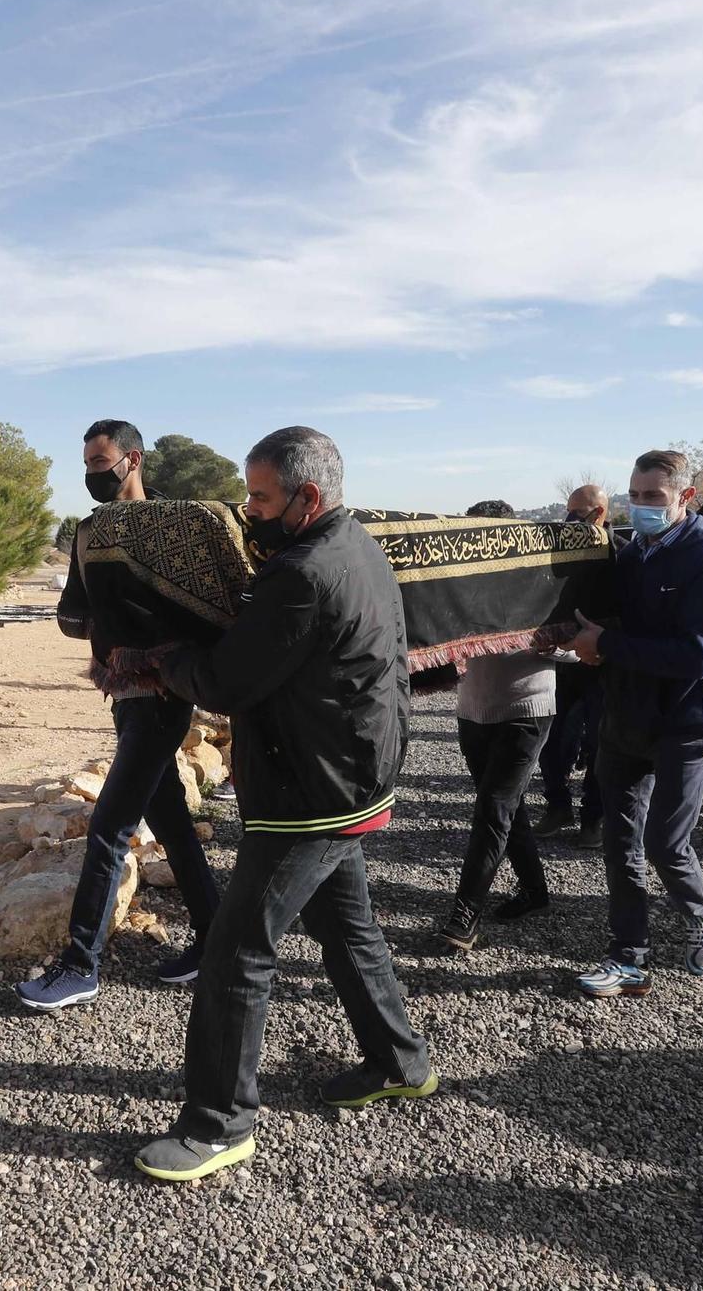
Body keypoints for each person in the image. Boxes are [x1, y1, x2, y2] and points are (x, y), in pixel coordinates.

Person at [132, 427, 432, 1183]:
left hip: (312, 791)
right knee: (348, 925)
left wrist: (164, 659)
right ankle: (399, 1060)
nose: (248, 511)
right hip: (349, 774)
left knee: (237, 951)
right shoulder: (356, 544)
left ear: (308, 497)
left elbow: (230, 680)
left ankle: (217, 1124)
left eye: (260, 499)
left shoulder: (303, 572)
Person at [18, 420, 222, 1011]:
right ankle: (214, 938)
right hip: (122, 694)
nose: (91, 475)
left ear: (132, 459)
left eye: (100, 462)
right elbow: (69, 611)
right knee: (175, 826)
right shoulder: (88, 532)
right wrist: (104, 624)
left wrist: (150, 632)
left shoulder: (177, 525)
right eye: (85, 465)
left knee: (109, 826)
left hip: (164, 696)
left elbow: (207, 606)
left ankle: (80, 964)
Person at [555, 450, 703, 998]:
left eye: (653, 497)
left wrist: (605, 643)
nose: (641, 506)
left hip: (685, 721)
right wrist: (586, 639)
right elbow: (623, 625)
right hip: (625, 714)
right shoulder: (633, 554)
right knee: (620, 841)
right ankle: (627, 957)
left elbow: (695, 654)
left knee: (665, 842)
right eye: (635, 495)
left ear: (684, 495)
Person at [439, 499, 557, 950]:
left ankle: (465, 912)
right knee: (507, 807)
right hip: (474, 712)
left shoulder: (537, 583)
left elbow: (573, 642)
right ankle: (535, 891)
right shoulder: (461, 584)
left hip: (526, 712)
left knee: (493, 809)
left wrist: (552, 648)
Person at [536, 483, 611, 847]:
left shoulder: (619, 557)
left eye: (576, 514)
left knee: (599, 743)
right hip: (564, 665)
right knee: (551, 741)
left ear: (599, 514)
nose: (569, 520)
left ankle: (593, 818)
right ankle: (557, 805)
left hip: (602, 667)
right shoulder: (561, 554)